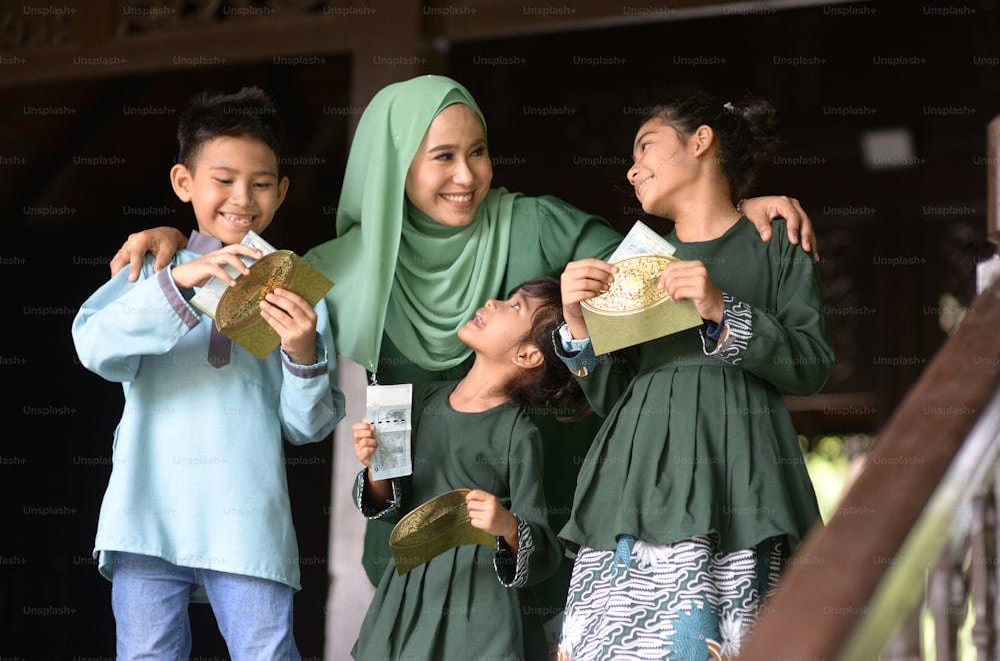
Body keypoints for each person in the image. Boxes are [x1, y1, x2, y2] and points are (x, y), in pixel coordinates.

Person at [107, 74, 819, 641]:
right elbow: (232, 281)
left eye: (477, 151)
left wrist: (737, 206)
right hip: (416, 508)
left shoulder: (534, 222)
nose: (466, 175)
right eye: (441, 156)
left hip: (540, 505)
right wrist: (171, 239)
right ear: (394, 162)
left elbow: (659, 270)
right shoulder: (331, 269)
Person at [553, 92, 834, 659]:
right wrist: (577, 322)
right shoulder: (635, 260)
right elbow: (612, 392)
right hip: (632, 476)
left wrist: (722, 308)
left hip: (737, 466)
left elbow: (810, 365)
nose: (632, 168)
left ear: (700, 140)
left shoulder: (774, 238)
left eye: (646, 145)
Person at [72, 87, 346, 660]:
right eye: (222, 179)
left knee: (267, 652)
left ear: (282, 191)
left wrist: (302, 349)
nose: (242, 198)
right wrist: (181, 281)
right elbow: (95, 347)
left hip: (246, 514)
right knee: (146, 653)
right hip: (146, 510)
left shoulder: (298, 293)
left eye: (262, 183)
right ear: (183, 183)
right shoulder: (153, 264)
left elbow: (308, 427)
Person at [350, 276, 581, 660]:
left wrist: (505, 524)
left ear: (528, 355)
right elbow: (392, 508)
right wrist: (375, 464)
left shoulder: (518, 432)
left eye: (515, 306)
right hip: (410, 588)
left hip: (480, 601)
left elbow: (541, 542)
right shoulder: (420, 401)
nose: (493, 302)